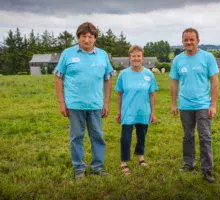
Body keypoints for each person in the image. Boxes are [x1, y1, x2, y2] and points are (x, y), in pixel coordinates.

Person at [53, 22, 114, 180]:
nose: (86, 40)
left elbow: (108, 79)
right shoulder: (67, 53)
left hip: (95, 105)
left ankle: (97, 167)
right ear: (78, 37)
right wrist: (61, 102)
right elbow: (58, 78)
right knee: (76, 137)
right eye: (83, 36)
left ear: (95, 38)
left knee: (98, 137)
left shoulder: (102, 55)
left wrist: (106, 103)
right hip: (74, 105)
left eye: (90, 37)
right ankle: (79, 168)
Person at [170, 28, 219, 183]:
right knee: (188, 136)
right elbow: (174, 82)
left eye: (192, 39)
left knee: (205, 137)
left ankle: (207, 170)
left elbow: (215, 81)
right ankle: (188, 163)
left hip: (203, 105)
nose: (189, 42)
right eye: (186, 39)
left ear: (198, 40)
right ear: (182, 41)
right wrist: (173, 103)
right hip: (185, 105)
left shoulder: (207, 57)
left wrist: (213, 105)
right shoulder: (177, 60)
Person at [114, 45, 158, 175]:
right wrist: (118, 111)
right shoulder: (124, 74)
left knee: (141, 136)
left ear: (142, 57)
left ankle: (141, 158)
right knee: (126, 138)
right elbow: (119, 94)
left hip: (143, 111)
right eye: (134, 56)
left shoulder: (149, 74)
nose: (136, 58)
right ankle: (124, 162)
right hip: (128, 111)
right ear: (130, 58)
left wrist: (153, 112)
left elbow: (152, 94)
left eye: (139, 56)